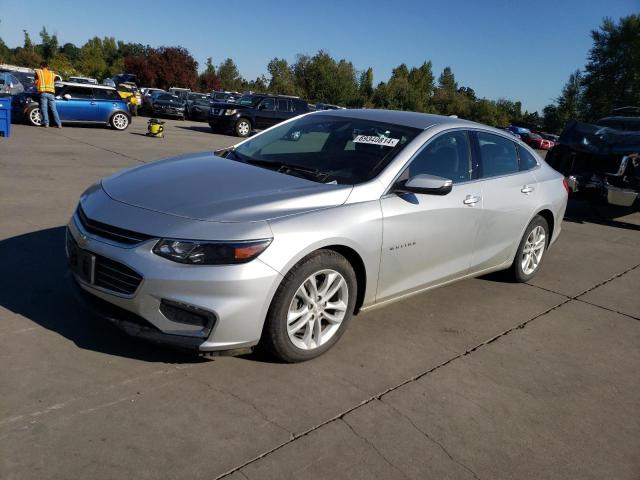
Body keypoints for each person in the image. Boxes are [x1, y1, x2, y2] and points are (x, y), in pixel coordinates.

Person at [34, 61, 61, 128]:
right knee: (54, 109)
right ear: (47, 66)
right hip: (51, 93)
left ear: (41, 66)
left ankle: (46, 123)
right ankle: (59, 124)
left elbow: (35, 82)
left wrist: (37, 83)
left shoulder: (39, 72)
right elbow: (56, 81)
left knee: (44, 109)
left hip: (43, 92)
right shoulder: (52, 74)